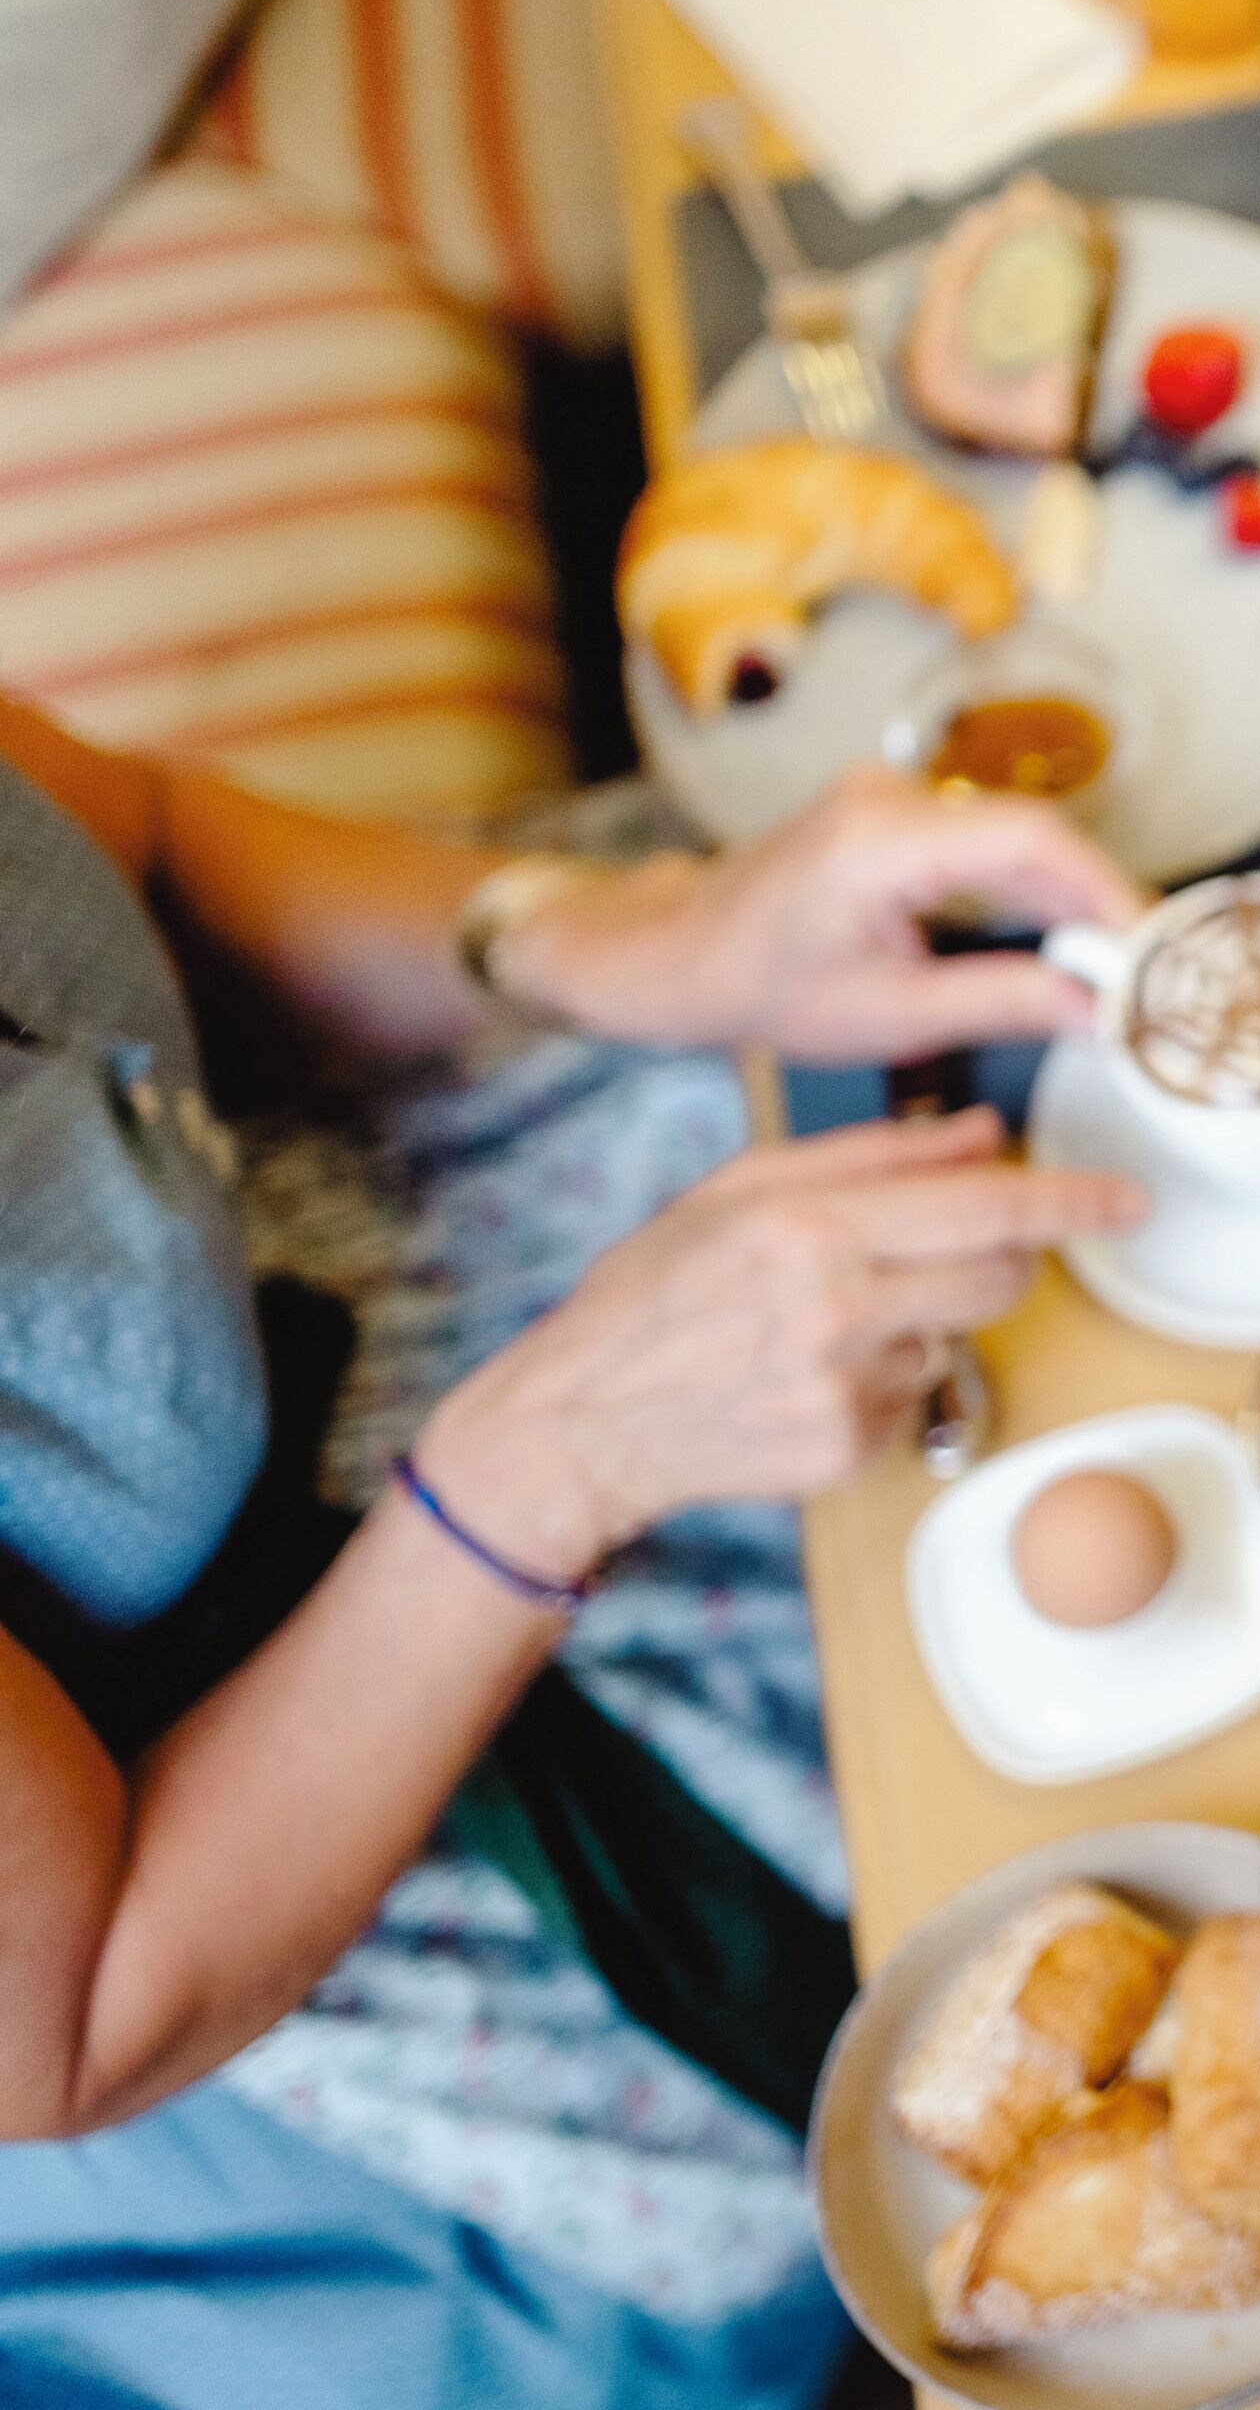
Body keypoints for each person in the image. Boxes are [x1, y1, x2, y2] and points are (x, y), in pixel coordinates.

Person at [0, 698, 1148, 2410]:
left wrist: (619, 940)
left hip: (350, 1221)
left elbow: (141, 841)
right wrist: (560, 1456)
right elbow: (81, 2006)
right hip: (276, 1848)